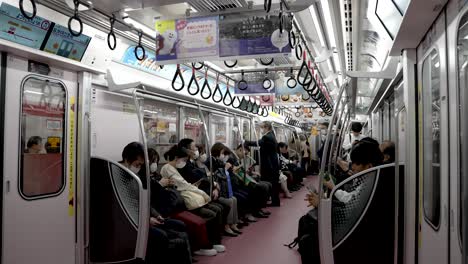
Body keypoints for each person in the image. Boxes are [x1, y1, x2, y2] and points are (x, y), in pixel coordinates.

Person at [118, 143, 193, 263]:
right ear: (127, 160)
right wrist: (147, 220)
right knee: (161, 236)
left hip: (145, 217)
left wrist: (155, 215)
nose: (139, 168)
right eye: (137, 164)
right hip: (131, 223)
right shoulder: (118, 177)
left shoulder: (133, 176)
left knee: (179, 227)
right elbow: (124, 207)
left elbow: (144, 202)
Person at [160, 145, 226, 255]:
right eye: (184, 160)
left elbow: (185, 184)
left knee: (217, 209)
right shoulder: (167, 168)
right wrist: (203, 193)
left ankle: (213, 242)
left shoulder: (175, 168)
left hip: (189, 197)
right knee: (211, 214)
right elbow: (184, 185)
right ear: (176, 158)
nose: (185, 162)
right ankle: (205, 245)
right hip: (184, 202)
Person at [208, 142, 243, 236]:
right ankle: (226, 226)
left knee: (234, 199)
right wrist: (225, 170)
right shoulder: (210, 162)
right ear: (217, 152)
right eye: (222, 153)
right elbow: (217, 176)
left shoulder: (218, 161)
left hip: (223, 190)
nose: (223, 156)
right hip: (217, 190)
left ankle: (233, 224)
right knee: (230, 201)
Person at [244, 121, 282, 206]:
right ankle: (274, 201)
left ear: (266, 127)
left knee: (270, 182)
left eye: (262, 127)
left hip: (270, 165)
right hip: (273, 164)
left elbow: (258, 143)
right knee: (273, 183)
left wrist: (246, 142)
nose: (261, 130)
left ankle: (271, 201)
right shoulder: (272, 135)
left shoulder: (267, 137)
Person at [230, 144, 271, 218]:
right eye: (245, 153)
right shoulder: (232, 158)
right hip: (238, 182)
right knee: (260, 187)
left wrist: (250, 171)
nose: (245, 156)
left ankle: (259, 209)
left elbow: (241, 172)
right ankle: (255, 211)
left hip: (243, 179)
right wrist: (241, 168)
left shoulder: (237, 158)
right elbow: (234, 171)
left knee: (267, 184)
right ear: (240, 150)